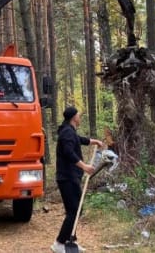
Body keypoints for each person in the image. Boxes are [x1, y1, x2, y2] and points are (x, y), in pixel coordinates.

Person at [51, 106, 104, 253]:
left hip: (70, 176)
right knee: (74, 211)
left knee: (75, 210)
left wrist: (95, 142)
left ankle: (71, 242)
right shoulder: (67, 132)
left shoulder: (69, 131)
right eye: (79, 115)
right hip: (67, 177)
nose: (80, 117)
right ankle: (59, 242)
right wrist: (84, 166)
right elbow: (68, 152)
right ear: (74, 117)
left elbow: (79, 140)